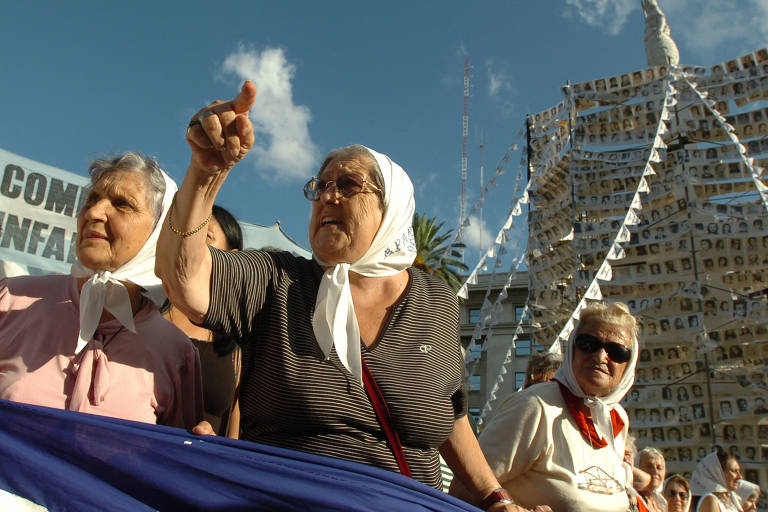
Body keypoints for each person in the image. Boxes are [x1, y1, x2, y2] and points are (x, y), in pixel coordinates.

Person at [155, 82, 540, 511]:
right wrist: (205, 174)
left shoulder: (436, 300)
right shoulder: (277, 281)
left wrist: (496, 498)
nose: (327, 196)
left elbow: (450, 415)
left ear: (391, 208)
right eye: (319, 187)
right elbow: (183, 277)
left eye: (348, 184)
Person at [0, 152, 202, 427]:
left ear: (159, 232)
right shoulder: (11, 299)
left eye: (122, 204)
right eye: (93, 199)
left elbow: (174, 458)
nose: (94, 212)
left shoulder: (177, 353)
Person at [452, 302, 638, 511]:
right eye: (588, 343)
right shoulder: (535, 406)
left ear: (628, 366)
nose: (600, 356)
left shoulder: (617, 419)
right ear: (572, 350)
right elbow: (462, 491)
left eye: (617, 351)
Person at [162, 204, 243, 437]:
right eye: (188, 234)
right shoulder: (144, 312)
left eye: (205, 236)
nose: (192, 244)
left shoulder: (238, 344)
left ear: (232, 259)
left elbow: (234, 436)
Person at [637, 447, 667, 512]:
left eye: (659, 468)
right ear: (637, 468)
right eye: (649, 466)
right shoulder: (632, 499)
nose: (655, 471)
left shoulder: (661, 504)